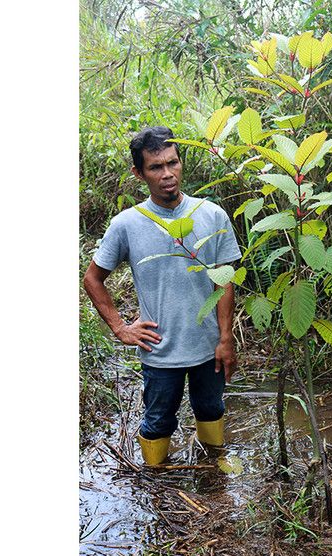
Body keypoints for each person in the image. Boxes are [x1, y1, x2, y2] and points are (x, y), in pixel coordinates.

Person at [83, 126, 242, 466]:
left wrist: (226, 338)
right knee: (158, 421)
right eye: (156, 167)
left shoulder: (211, 215)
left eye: (173, 163)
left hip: (207, 345)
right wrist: (121, 328)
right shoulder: (127, 224)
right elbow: (93, 279)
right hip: (159, 350)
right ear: (138, 173)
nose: (167, 174)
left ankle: (213, 469)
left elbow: (224, 282)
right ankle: (155, 482)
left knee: (211, 408)